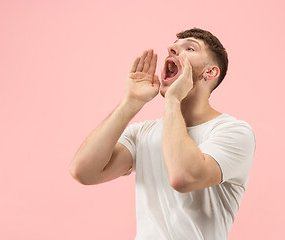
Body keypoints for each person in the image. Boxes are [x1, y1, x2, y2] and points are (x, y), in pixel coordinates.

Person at [69, 27, 256, 240]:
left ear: (210, 72)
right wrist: (130, 103)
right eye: (174, 48)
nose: (172, 49)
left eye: (190, 48)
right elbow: (83, 171)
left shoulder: (234, 132)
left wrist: (173, 100)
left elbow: (183, 177)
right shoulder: (143, 133)